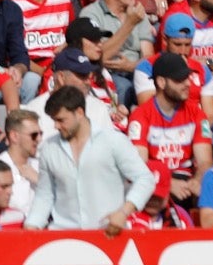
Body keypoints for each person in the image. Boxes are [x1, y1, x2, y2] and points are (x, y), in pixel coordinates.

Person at [27, 85, 155, 232]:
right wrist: (32, 225)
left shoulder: (113, 141)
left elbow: (145, 178)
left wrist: (124, 212)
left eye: (61, 120)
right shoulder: (50, 148)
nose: (56, 126)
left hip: (107, 233)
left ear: (79, 113)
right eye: (54, 120)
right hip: (64, 236)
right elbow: (45, 194)